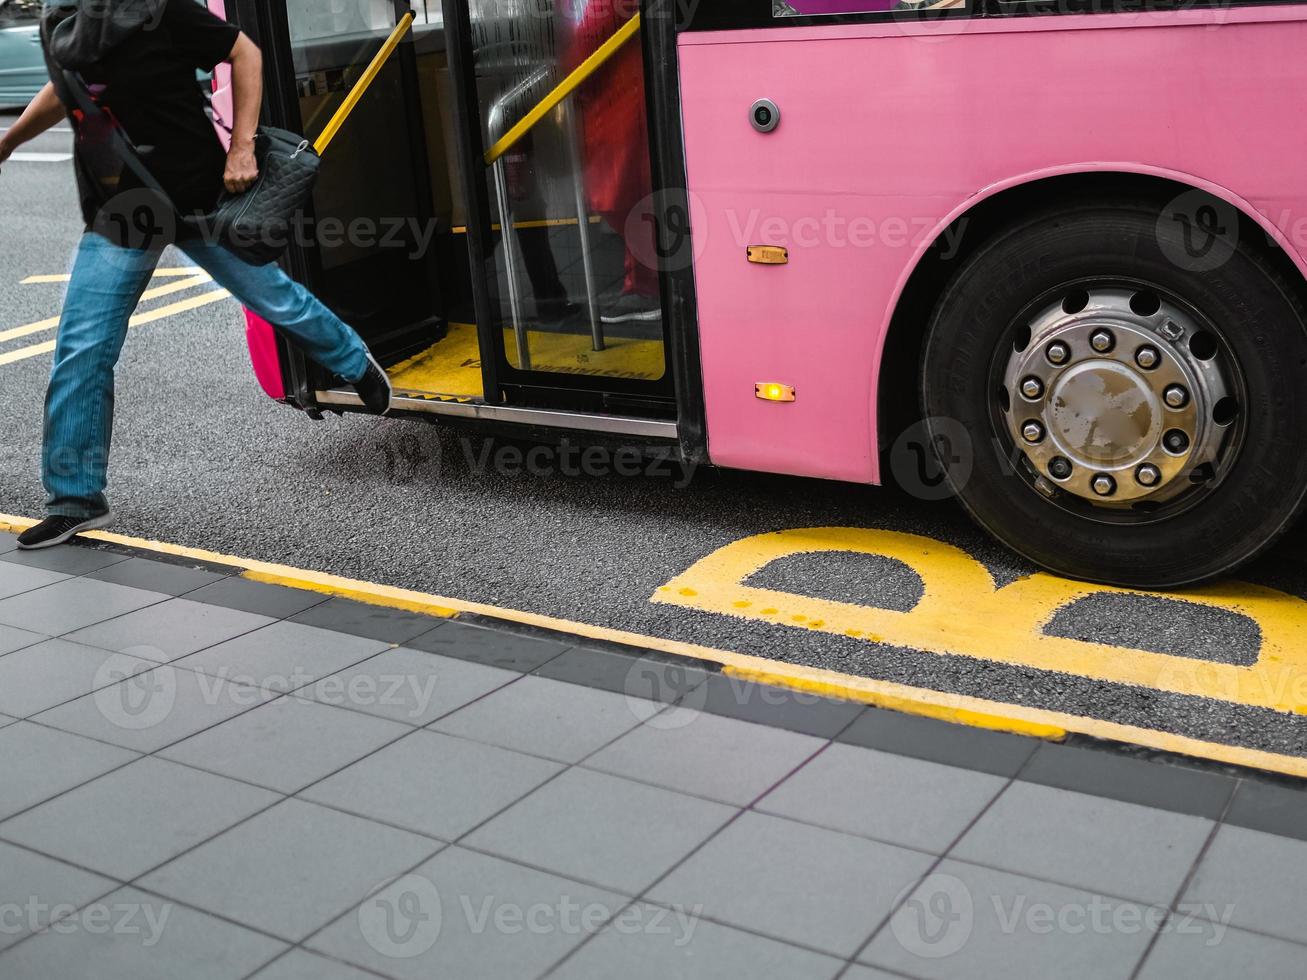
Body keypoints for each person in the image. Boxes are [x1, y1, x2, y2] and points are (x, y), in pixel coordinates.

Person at [0, 0, 393, 551]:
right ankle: (74, 501)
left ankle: (353, 359)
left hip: (195, 200)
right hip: (119, 211)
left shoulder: (157, 10)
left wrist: (242, 147)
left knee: (274, 301)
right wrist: (12, 139)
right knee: (82, 349)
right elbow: (67, 89)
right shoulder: (63, 24)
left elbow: (244, 51)